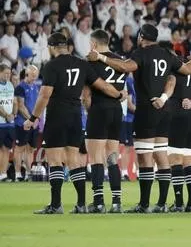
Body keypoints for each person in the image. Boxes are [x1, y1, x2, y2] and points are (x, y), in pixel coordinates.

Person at [88, 23, 191, 213]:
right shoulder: (166, 53)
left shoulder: (141, 53)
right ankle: (162, 203)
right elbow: (187, 70)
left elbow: (125, 66)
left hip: (147, 110)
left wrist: (101, 57)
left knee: (145, 159)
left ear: (141, 37)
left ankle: (145, 204)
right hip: (164, 109)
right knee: (162, 157)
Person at [23, 33, 123, 214]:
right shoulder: (82, 64)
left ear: (51, 47)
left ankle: (55, 205)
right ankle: (81, 204)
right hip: (75, 116)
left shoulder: (51, 66)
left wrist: (33, 118)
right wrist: (118, 95)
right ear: (67, 46)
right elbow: (102, 85)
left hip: (57, 115)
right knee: (74, 159)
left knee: (54, 159)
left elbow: (44, 95)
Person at [84, 30, 127, 213]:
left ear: (94, 44)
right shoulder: (121, 61)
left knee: (96, 157)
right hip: (117, 111)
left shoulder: (91, 61)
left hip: (99, 109)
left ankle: (99, 202)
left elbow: (86, 95)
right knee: (112, 157)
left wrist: (89, 110)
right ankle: (116, 202)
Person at [166, 47, 191, 212]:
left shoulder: (172, 69)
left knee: (175, 161)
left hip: (177, 116)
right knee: (188, 161)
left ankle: (179, 203)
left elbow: (171, 85)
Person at [14, 65, 41, 182]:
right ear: (26, 74)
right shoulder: (20, 87)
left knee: (31, 149)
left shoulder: (36, 87)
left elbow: (37, 104)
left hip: (33, 123)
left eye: (36, 76)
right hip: (22, 123)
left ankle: (29, 173)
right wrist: (32, 119)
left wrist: (37, 118)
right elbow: (20, 106)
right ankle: (18, 174)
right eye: (32, 76)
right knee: (20, 148)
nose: (34, 78)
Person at [0, 65, 16, 181]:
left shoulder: (10, 85)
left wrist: (13, 115)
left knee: (6, 149)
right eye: (5, 73)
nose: (7, 75)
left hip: (10, 124)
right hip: (1, 123)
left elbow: (14, 102)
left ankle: (3, 174)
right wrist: (6, 115)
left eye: (9, 73)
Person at [119, 75, 136, 181]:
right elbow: (129, 103)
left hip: (134, 118)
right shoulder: (128, 80)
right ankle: (124, 172)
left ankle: (139, 173)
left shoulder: (137, 80)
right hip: (128, 119)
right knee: (127, 146)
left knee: (135, 147)